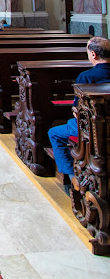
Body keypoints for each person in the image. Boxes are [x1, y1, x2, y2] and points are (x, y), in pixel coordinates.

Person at [48, 36, 110, 194]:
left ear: (94, 55)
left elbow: (79, 111)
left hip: (93, 128)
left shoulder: (87, 77)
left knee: (54, 133)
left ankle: (70, 178)